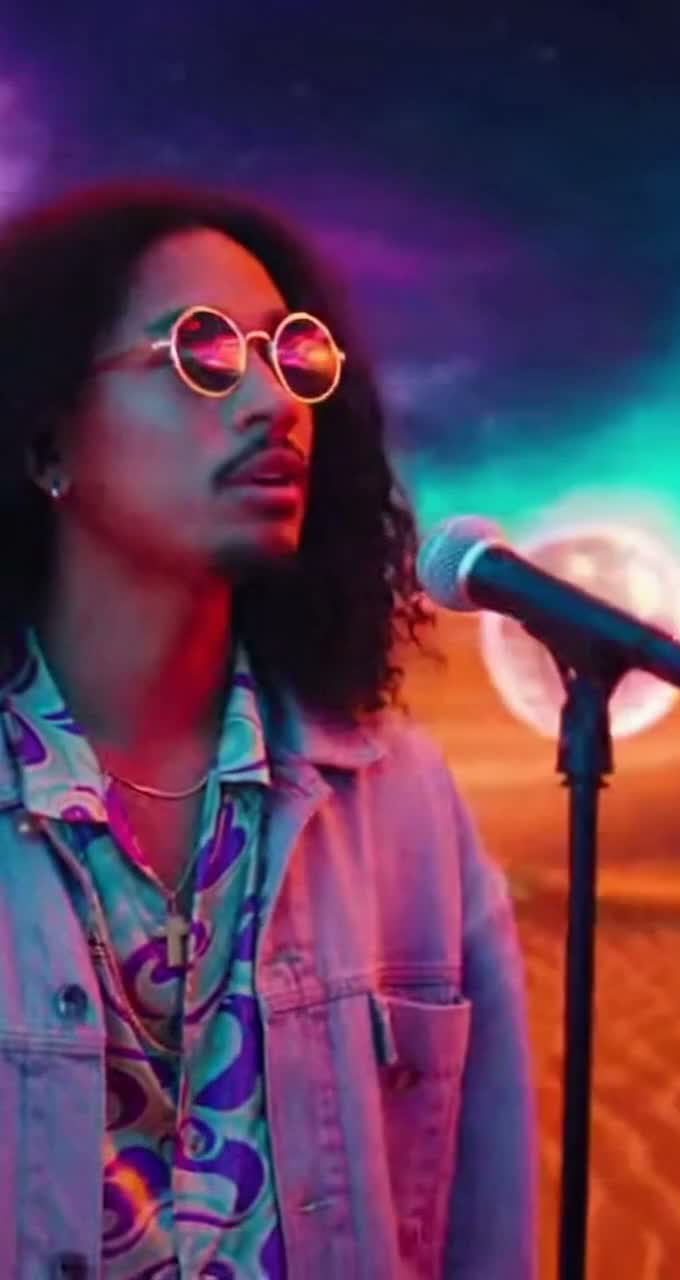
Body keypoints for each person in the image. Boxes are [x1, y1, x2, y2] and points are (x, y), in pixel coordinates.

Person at [0, 181, 536, 1280]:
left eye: (294, 357)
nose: (274, 401)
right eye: (201, 354)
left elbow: (487, 1233)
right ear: (47, 439)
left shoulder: (400, 804)